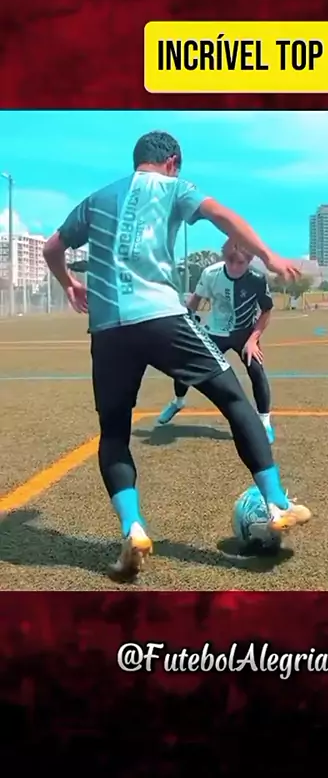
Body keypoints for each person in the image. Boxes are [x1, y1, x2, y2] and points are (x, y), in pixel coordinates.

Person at [43, 130, 311, 581]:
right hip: (162, 316)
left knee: (114, 433)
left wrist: (69, 284)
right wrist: (267, 255)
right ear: (172, 162)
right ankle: (277, 502)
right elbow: (223, 215)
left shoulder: (96, 200)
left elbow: (52, 247)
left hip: (108, 331)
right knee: (234, 400)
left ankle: (133, 530)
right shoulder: (174, 188)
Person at [158, 239, 276, 444]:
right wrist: (186, 321)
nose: (235, 267)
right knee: (185, 364)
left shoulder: (257, 279)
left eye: (241, 263)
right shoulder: (210, 274)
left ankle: (264, 422)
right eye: (230, 262)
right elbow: (195, 300)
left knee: (256, 369)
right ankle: (178, 402)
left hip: (244, 334)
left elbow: (266, 311)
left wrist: (252, 340)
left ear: (249, 261)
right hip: (214, 331)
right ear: (223, 258)